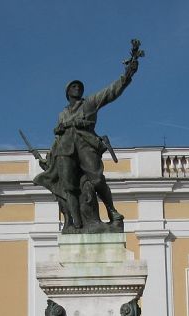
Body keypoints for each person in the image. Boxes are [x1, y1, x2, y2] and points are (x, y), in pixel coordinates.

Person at [34, 57, 139, 230]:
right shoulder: (62, 114)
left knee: (97, 180)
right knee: (69, 187)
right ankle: (76, 222)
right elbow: (58, 139)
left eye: (79, 86)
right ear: (67, 92)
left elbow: (111, 92)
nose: (78, 88)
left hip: (86, 145)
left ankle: (112, 211)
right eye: (74, 86)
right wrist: (49, 159)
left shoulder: (89, 103)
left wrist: (127, 75)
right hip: (65, 151)